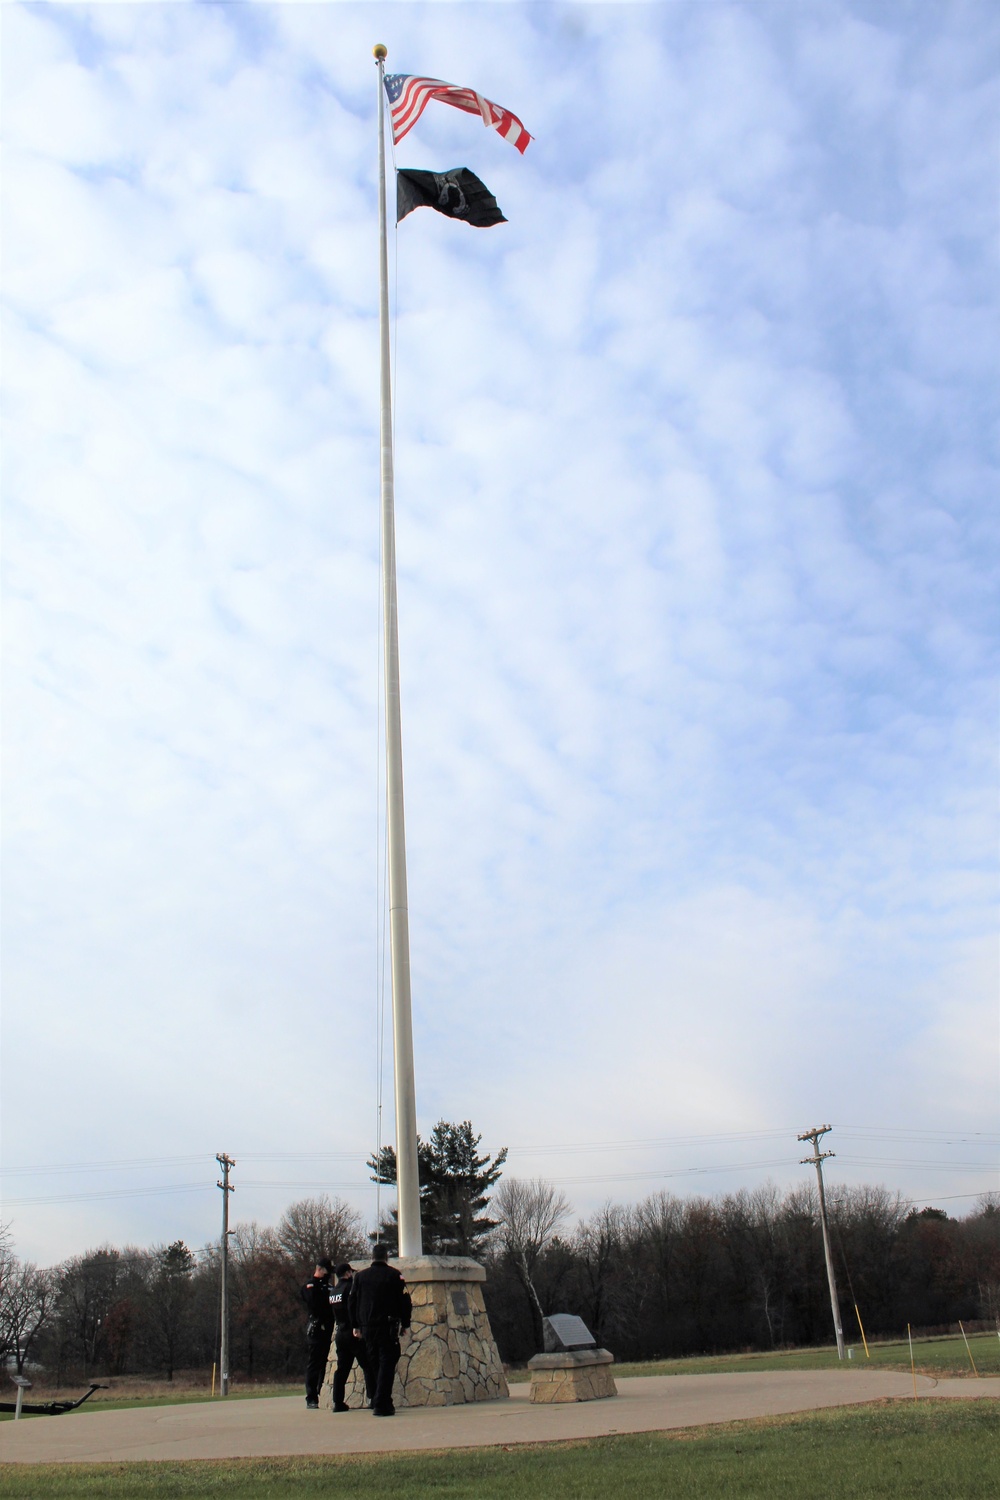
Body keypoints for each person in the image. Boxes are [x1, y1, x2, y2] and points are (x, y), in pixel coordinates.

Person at [349, 1243, 412, 1416]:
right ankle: (381, 1403)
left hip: (367, 1327)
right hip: (387, 1327)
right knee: (386, 1363)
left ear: (372, 1257)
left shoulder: (360, 1277)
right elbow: (405, 1302)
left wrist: (355, 1325)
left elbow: (352, 1302)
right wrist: (405, 1324)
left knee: (375, 1363)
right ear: (386, 1258)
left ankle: (382, 1399)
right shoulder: (394, 1275)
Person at [329, 1262, 373, 1412]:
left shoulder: (334, 1291)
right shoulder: (350, 1288)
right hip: (353, 1332)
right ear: (348, 1273)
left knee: (342, 1369)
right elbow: (355, 1307)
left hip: (340, 1333)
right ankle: (372, 1398)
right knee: (368, 1365)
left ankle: (338, 1402)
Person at [300, 1257, 335, 1409]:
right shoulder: (310, 1286)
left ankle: (323, 1391)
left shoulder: (329, 1287)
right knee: (314, 1362)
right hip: (316, 1328)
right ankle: (311, 1396)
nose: (329, 1275)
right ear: (319, 1269)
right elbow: (315, 1305)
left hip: (329, 1328)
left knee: (325, 1363)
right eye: (327, 1271)